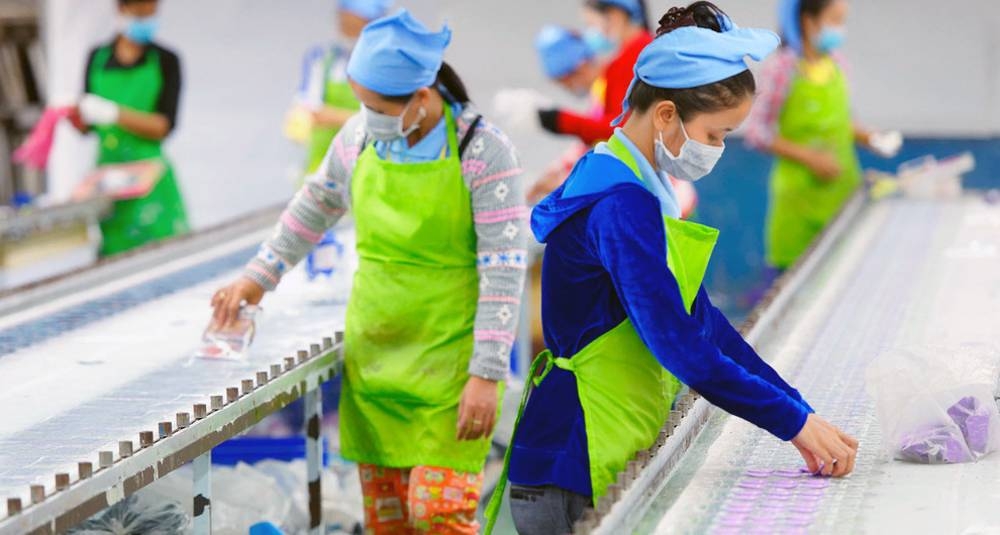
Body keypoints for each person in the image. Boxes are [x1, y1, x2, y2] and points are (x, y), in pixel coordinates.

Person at [485, 4, 858, 534]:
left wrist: (802, 411)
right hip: (572, 464)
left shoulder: (638, 188)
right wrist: (792, 424)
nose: (719, 151)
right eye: (716, 134)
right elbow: (683, 348)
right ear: (665, 115)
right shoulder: (620, 205)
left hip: (605, 444)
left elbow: (703, 323)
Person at [210, 10, 527, 534]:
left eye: (377, 107)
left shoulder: (483, 150)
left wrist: (487, 372)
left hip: (451, 369)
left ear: (421, 97)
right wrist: (257, 277)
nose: (366, 116)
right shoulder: (358, 139)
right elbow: (312, 207)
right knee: (390, 523)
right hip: (377, 366)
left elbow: (503, 268)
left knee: (439, 516)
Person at [745, 0, 901, 271]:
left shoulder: (838, 65)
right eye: (836, 20)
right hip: (799, 203)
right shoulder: (781, 69)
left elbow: (844, 123)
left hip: (843, 194)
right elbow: (757, 132)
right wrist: (810, 158)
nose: (840, 30)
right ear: (808, 21)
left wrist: (871, 138)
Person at [530, 24, 698, 216]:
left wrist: (560, 122)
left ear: (580, 67)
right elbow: (590, 145)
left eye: (566, 81)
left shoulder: (619, 84)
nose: (568, 88)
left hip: (667, 202)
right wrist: (558, 171)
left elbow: (615, 136)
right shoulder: (601, 91)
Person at [74, 0, 188, 256]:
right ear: (121, 10)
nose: (146, 20)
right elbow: (87, 127)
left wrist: (114, 113)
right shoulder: (97, 58)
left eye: (151, 13)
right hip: (108, 180)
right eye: (139, 13)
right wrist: (73, 114)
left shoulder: (166, 60)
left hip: (151, 179)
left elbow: (163, 125)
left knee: (161, 254)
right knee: (113, 255)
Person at [535, 0, 653, 147]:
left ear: (615, 15)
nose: (589, 35)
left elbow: (622, 129)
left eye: (591, 25)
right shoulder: (637, 53)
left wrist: (560, 120)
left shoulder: (634, 57)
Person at [295, 0, 393, 176]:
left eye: (355, 25)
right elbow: (309, 111)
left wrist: (332, 116)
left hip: (371, 170)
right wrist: (365, 121)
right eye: (344, 23)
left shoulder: (389, 66)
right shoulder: (321, 59)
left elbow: (393, 121)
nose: (348, 31)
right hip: (322, 169)